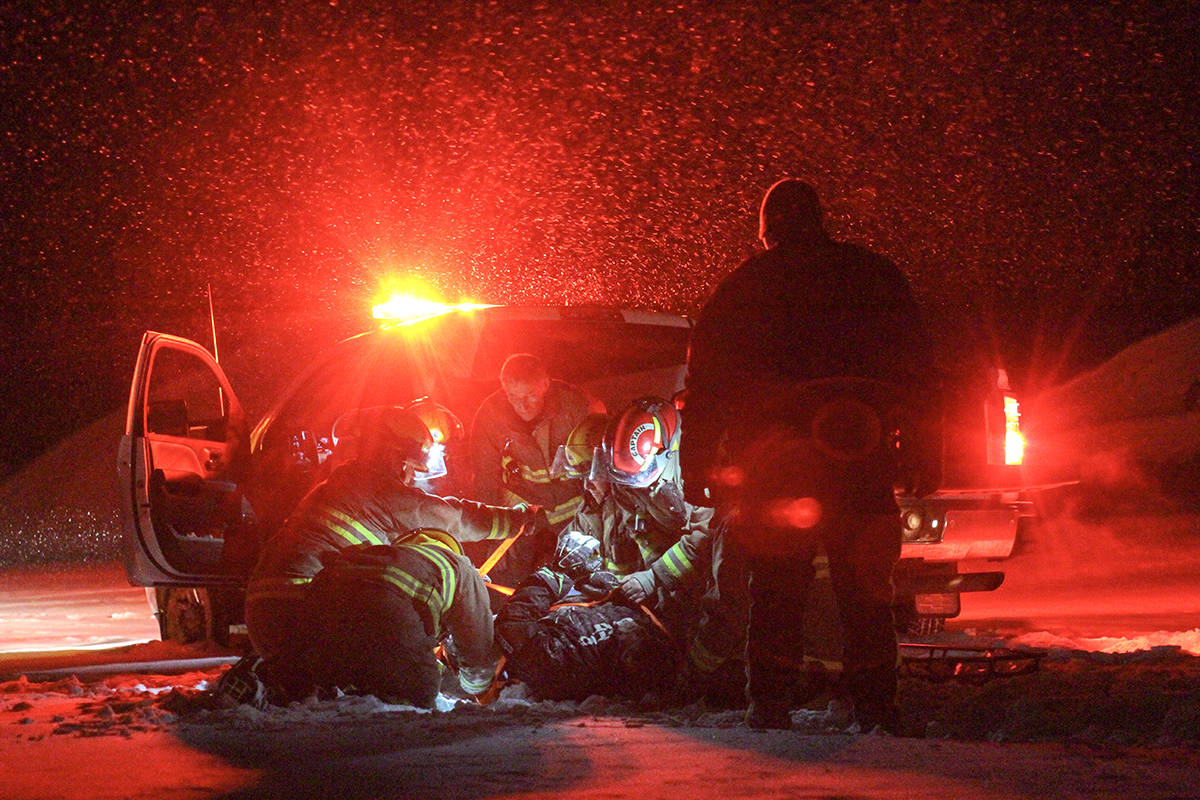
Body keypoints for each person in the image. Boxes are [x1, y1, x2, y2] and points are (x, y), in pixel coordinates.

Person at [680, 178, 940, 732]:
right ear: (821, 219)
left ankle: (770, 706)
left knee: (776, 590)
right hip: (859, 456)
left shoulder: (745, 287)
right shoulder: (873, 276)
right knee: (866, 589)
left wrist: (696, 462)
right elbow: (920, 375)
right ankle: (875, 707)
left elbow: (704, 387)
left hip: (778, 467)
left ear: (767, 230)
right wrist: (924, 449)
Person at [243, 405, 550, 704]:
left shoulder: (339, 488)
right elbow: (450, 518)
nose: (411, 479)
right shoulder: (371, 488)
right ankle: (472, 683)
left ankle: (278, 680)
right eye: (409, 466)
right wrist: (519, 520)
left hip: (269, 617)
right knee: (417, 680)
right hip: (303, 607)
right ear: (391, 455)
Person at [565, 398, 746, 702]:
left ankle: (702, 683)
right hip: (668, 596)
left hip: (702, 589)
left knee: (721, 624)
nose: (636, 487)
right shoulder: (629, 473)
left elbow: (704, 534)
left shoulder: (697, 473)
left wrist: (653, 578)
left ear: (665, 451)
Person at [468, 353, 604, 588]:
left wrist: (601, 517)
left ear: (545, 384)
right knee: (514, 585)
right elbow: (485, 481)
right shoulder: (489, 416)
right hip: (524, 522)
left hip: (575, 518)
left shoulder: (575, 405)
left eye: (530, 395)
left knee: (580, 582)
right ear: (503, 387)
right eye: (513, 396)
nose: (522, 405)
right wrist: (495, 533)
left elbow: (601, 466)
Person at [493, 531, 679, 702]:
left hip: (566, 659)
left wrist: (550, 578)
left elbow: (513, 628)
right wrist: (616, 593)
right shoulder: (646, 643)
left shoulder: (556, 658)